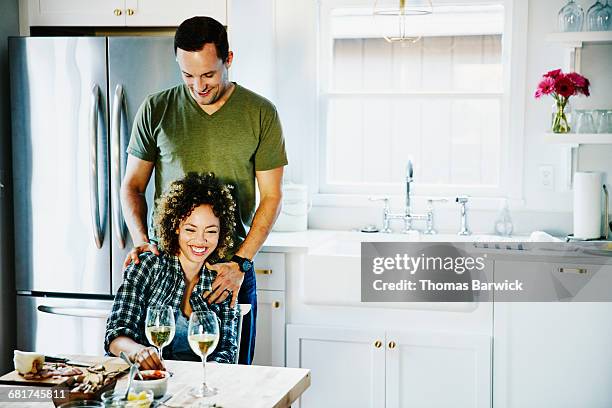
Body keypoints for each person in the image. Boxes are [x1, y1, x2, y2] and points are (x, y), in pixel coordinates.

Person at [120, 16, 287, 365]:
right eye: (188, 75)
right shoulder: (156, 109)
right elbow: (132, 187)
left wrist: (241, 263)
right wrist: (140, 240)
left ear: (228, 59)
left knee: (230, 380)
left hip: (229, 269)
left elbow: (272, 196)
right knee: (155, 376)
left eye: (208, 74)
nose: (198, 86)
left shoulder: (260, 113)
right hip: (166, 267)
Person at [106, 172, 239, 368]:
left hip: (199, 388)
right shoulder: (148, 266)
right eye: (191, 229)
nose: (200, 241)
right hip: (146, 385)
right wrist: (138, 352)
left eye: (211, 231)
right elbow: (116, 335)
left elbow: (227, 351)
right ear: (176, 226)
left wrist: (204, 377)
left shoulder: (223, 281)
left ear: (221, 233)